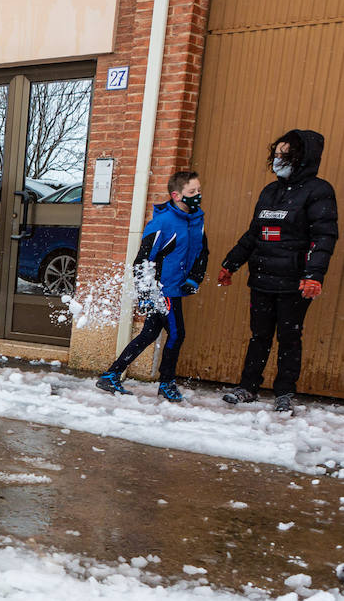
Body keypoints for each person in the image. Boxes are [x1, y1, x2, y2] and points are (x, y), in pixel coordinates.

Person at [219, 129, 338, 413]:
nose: (277, 161)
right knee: (259, 336)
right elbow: (254, 234)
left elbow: (324, 237)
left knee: (289, 337)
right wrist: (231, 263)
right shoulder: (269, 192)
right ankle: (248, 387)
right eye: (276, 155)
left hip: (294, 283)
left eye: (285, 156)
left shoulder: (318, 191)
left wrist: (313, 275)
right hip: (261, 278)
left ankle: (284, 392)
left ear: (302, 159)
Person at [96, 171, 208, 401]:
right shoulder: (163, 222)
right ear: (177, 195)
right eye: (192, 192)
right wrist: (146, 293)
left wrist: (194, 278)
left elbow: (202, 253)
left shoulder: (196, 221)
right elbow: (143, 260)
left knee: (149, 333)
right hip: (164, 289)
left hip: (177, 287)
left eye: (198, 190)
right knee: (177, 334)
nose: (198, 195)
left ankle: (111, 374)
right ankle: (166, 383)